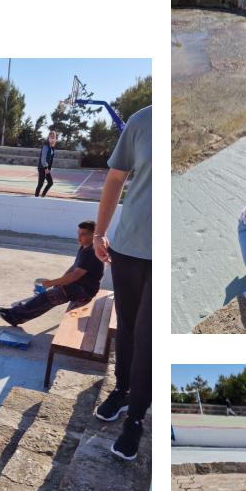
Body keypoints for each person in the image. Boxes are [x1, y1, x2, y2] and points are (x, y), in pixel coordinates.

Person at [92, 105, 151, 461]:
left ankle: (136, 417)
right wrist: (99, 232)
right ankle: (123, 388)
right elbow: (115, 178)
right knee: (127, 328)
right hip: (128, 248)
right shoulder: (142, 121)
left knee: (148, 338)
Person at [0, 221, 104, 326]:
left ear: (93, 236)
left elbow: (75, 275)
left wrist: (51, 283)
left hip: (84, 290)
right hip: (78, 286)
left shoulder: (91, 252)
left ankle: (14, 315)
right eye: (78, 234)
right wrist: (61, 280)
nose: (79, 237)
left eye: (83, 234)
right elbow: (74, 267)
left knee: (48, 297)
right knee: (48, 298)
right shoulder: (84, 247)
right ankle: (17, 317)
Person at [36, 130, 57, 197]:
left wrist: (49, 168)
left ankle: (42, 195)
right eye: (51, 137)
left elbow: (51, 159)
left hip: (47, 168)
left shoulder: (52, 147)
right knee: (40, 184)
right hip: (42, 167)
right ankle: (36, 197)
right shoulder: (46, 146)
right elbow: (43, 159)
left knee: (50, 183)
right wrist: (45, 168)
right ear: (48, 137)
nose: (52, 138)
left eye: (53, 137)